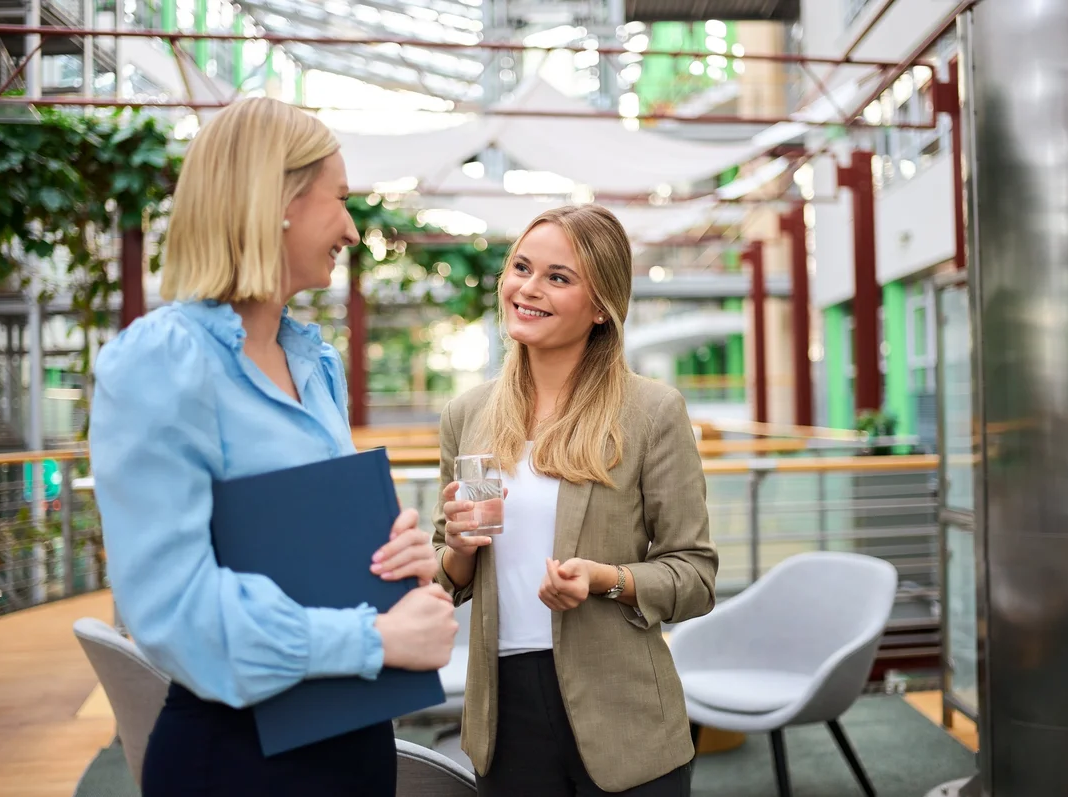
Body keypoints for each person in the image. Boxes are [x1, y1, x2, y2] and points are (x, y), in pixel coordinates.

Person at [89, 97, 457, 797]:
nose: (351, 228)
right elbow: (172, 609)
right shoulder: (163, 364)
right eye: (340, 199)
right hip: (239, 759)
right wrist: (374, 638)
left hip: (353, 735)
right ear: (280, 199)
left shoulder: (313, 361)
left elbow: (311, 540)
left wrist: (391, 557)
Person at [432, 204, 719, 796]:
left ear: (599, 306)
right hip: (504, 713)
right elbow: (450, 575)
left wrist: (607, 579)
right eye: (521, 268)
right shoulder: (469, 416)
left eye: (558, 278)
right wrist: (458, 547)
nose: (527, 289)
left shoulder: (650, 412)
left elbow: (695, 576)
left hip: (624, 711)